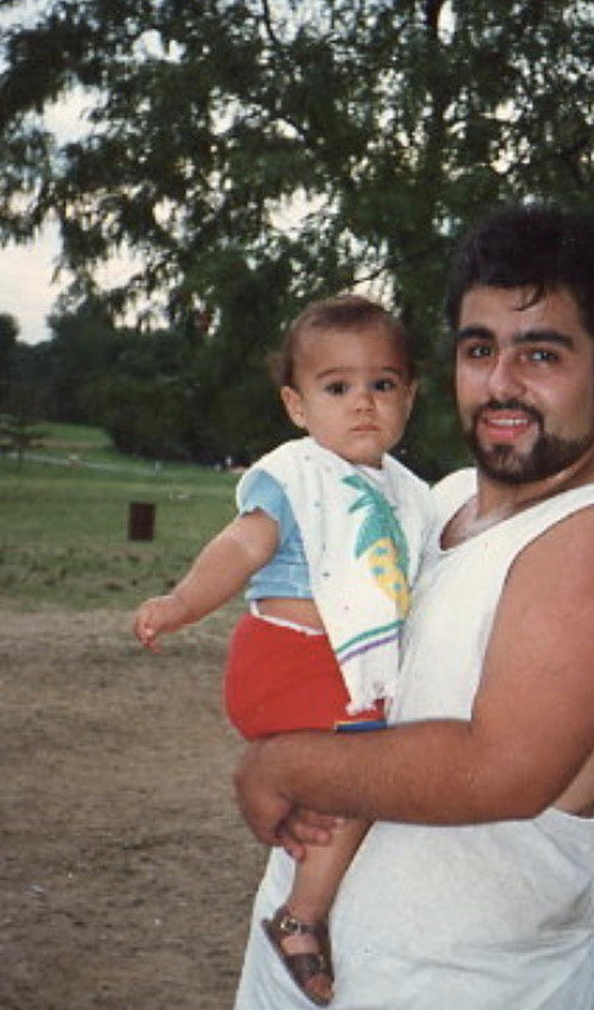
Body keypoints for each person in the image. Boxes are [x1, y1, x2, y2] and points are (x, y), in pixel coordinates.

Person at [231, 204, 594, 1010]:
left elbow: (493, 769)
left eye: (541, 353)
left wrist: (277, 764)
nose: (501, 383)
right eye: (480, 349)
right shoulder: (433, 504)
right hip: (312, 967)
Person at [133, 295, 433, 1006]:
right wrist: (180, 604)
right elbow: (241, 545)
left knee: (349, 780)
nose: (363, 403)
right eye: (338, 388)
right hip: (290, 657)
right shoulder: (296, 473)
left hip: (333, 675)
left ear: (410, 397)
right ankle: (303, 916)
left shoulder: (409, 493)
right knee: (370, 775)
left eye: (382, 385)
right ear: (298, 407)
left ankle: (307, 848)